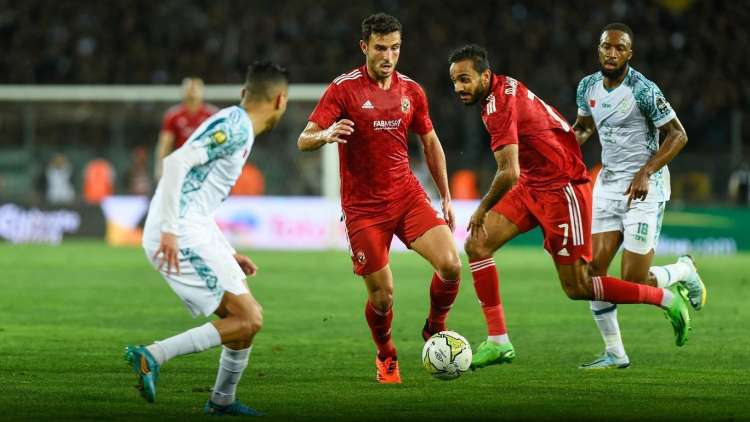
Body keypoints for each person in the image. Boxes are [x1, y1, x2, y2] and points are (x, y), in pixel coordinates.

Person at [447, 44, 694, 370]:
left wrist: (481, 209)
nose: (458, 88)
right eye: (455, 81)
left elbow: (508, 172)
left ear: (485, 76)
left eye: (464, 79)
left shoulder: (498, 106)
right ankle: (498, 341)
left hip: (562, 189)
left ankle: (665, 298)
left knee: (579, 287)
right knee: (477, 244)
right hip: (533, 185)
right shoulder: (500, 89)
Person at [297, 13, 461, 384]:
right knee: (383, 298)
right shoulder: (343, 89)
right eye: (381, 48)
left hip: (407, 196)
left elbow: (430, 142)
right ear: (364, 47)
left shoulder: (412, 91)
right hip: (364, 209)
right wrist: (325, 135)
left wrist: (446, 196)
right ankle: (386, 353)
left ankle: (435, 328)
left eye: (395, 48)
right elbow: (304, 139)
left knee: (451, 264)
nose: (388, 56)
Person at [125, 61, 289, 416]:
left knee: (245, 320)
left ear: (244, 93)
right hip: (179, 231)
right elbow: (174, 164)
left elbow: (198, 198)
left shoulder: (237, 126)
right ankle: (152, 355)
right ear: (281, 100)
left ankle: (222, 400)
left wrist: (228, 251)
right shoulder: (235, 128)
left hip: (193, 227)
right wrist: (170, 229)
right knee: (248, 318)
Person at [573, 23, 706, 369]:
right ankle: (615, 352)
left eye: (619, 48)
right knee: (593, 275)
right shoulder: (587, 87)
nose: (611, 53)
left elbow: (678, 135)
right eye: (606, 47)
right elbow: (584, 127)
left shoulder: (643, 90)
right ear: (599, 49)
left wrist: (646, 171)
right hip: (608, 186)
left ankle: (684, 270)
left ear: (629, 54)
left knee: (632, 280)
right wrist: (562, 148)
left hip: (645, 188)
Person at [154, 77, 218, 180]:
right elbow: (165, 144)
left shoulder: (212, 115)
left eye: (195, 88)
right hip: (182, 166)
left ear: (202, 92)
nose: (192, 92)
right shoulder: (173, 115)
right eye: (189, 88)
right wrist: (160, 167)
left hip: (206, 166)